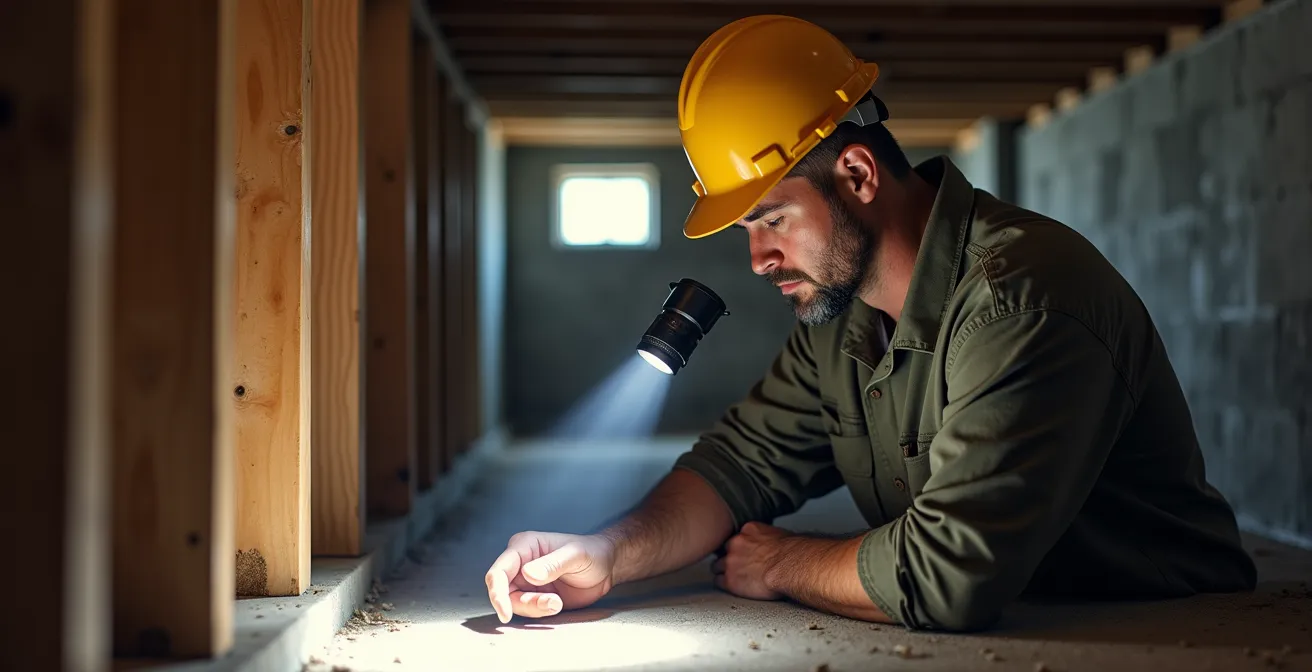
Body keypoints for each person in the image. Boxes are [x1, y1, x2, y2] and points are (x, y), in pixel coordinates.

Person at [484, 15, 1257, 632]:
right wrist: (604, 553)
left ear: (855, 174)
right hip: (1047, 609)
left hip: (1160, 623)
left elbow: (950, 576)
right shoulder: (839, 318)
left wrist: (784, 562)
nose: (758, 259)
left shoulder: (1022, 300)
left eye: (773, 219)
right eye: (746, 231)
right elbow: (740, 466)